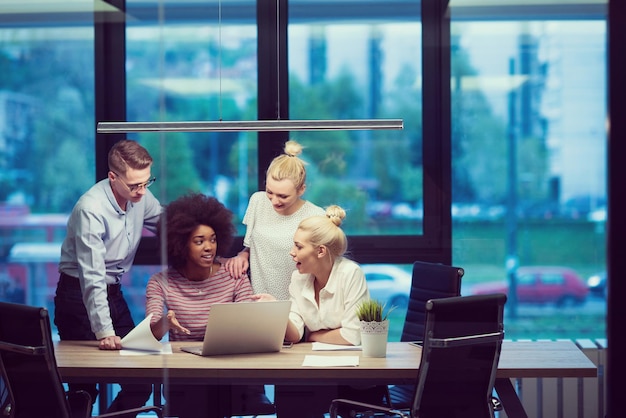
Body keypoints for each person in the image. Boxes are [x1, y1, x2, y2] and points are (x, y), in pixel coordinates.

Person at [54, 139, 161, 416]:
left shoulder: (142, 196)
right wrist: (105, 331)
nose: (141, 191)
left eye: (146, 182)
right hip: (77, 296)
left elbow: (167, 223)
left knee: (141, 380)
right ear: (112, 176)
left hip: (114, 293)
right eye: (134, 185)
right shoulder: (90, 208)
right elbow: (91, 275)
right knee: (84, 388)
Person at [255, 205, 374, 417]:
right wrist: (276, 311)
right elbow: (296, 333)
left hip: (351, 376)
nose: (292, 253)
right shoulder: (299, 278)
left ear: (320, 251)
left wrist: (313, 335)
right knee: (291, 392)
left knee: (303, 394)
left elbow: (352, 335)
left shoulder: (351, 274)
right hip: (313, 371)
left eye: (298, 247)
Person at [145, 193, 257, 418]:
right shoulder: (160, 282)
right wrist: (165, 323)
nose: (209, 247)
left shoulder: (232, 272)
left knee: (215, 396)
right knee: (197, 398)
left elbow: (251, 321)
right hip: (184, 376)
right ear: (180, 244)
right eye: (199, 241)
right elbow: (151, 335)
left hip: (228, 371)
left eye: (213, 239)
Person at [224, 139, 324, 300]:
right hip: (259, 300)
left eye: (283, 196)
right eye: (270, 192)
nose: (274, 201)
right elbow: (254, 245)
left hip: (299, 303)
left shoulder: (315, 215)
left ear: (301, 190)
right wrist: (243, 255)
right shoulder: (258, 201)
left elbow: (322, 266)